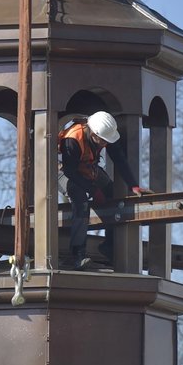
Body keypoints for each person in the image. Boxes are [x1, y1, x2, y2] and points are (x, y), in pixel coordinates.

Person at [58, 111, 151, 270]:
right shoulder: (72, 139)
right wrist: (94, 191)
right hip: (63, 171)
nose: (104, 145)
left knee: (112, 194)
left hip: (87, 169)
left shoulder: (106, 136)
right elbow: (70, 172)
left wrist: (133, 185)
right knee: (80, 201)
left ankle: (109, 245)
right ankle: (77, 254)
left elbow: (119, 159)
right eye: (101, 141)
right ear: (93, 134)